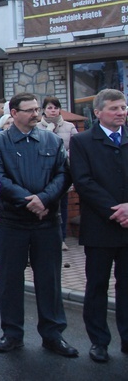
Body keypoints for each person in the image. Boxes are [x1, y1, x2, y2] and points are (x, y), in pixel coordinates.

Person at [0, 92, 77, 358]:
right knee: (11, 279)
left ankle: (53, 334)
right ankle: (12, 334)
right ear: (13, 113)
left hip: (47, 222)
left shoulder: (51, 139)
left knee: (49, 280)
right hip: (13, 222)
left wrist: (45, 199)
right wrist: (29, 201)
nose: (36, 114)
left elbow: (63, 174)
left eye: (37, 109)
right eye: (30, 110)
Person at [69, 88, 128, 363]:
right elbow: (83, 181)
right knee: (97, 286)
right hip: (100, 227)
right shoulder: (82, 142)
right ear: (98, 113)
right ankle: (99, 342)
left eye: (123, 108)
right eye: (115, 108)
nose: (121, 113)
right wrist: (114, 210)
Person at [37, 96, 78, 248]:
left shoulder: (69, 126)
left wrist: (65, 158)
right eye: (49, 108)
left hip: (64, 172)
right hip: (44, 174)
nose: (53, 111)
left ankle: (61, 238)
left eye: (55, 108)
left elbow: (76, 148)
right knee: (46, 203)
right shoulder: (38, 127)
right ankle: (45, 237)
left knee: (63, 206)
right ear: (44, 110)